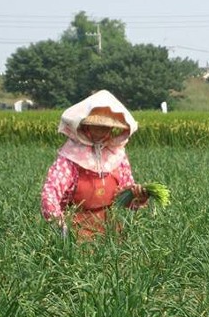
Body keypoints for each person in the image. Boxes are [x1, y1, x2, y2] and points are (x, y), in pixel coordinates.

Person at [41, 90, 148, 239]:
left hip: (111, 228)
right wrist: (58, 221)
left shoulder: (117, 156)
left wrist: (137, 196)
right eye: (96, 126)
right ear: (86, 126)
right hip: (76, 228)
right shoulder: (71, 157)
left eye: (106, 127)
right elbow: (50, 192)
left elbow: (125, 198)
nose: (101, 131)